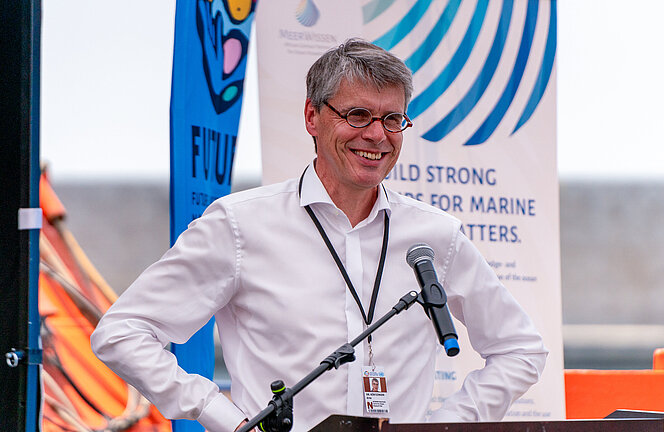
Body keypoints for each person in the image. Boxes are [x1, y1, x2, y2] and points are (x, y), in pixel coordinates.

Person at [91, 39, 547, 432]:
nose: (377, 135)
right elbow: (121, 332)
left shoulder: (435, 235)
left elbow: (520, 349)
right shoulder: (239, 225)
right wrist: (225, 418)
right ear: (313, 116)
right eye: (357, 114)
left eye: (393, 120)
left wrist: (445, 426)